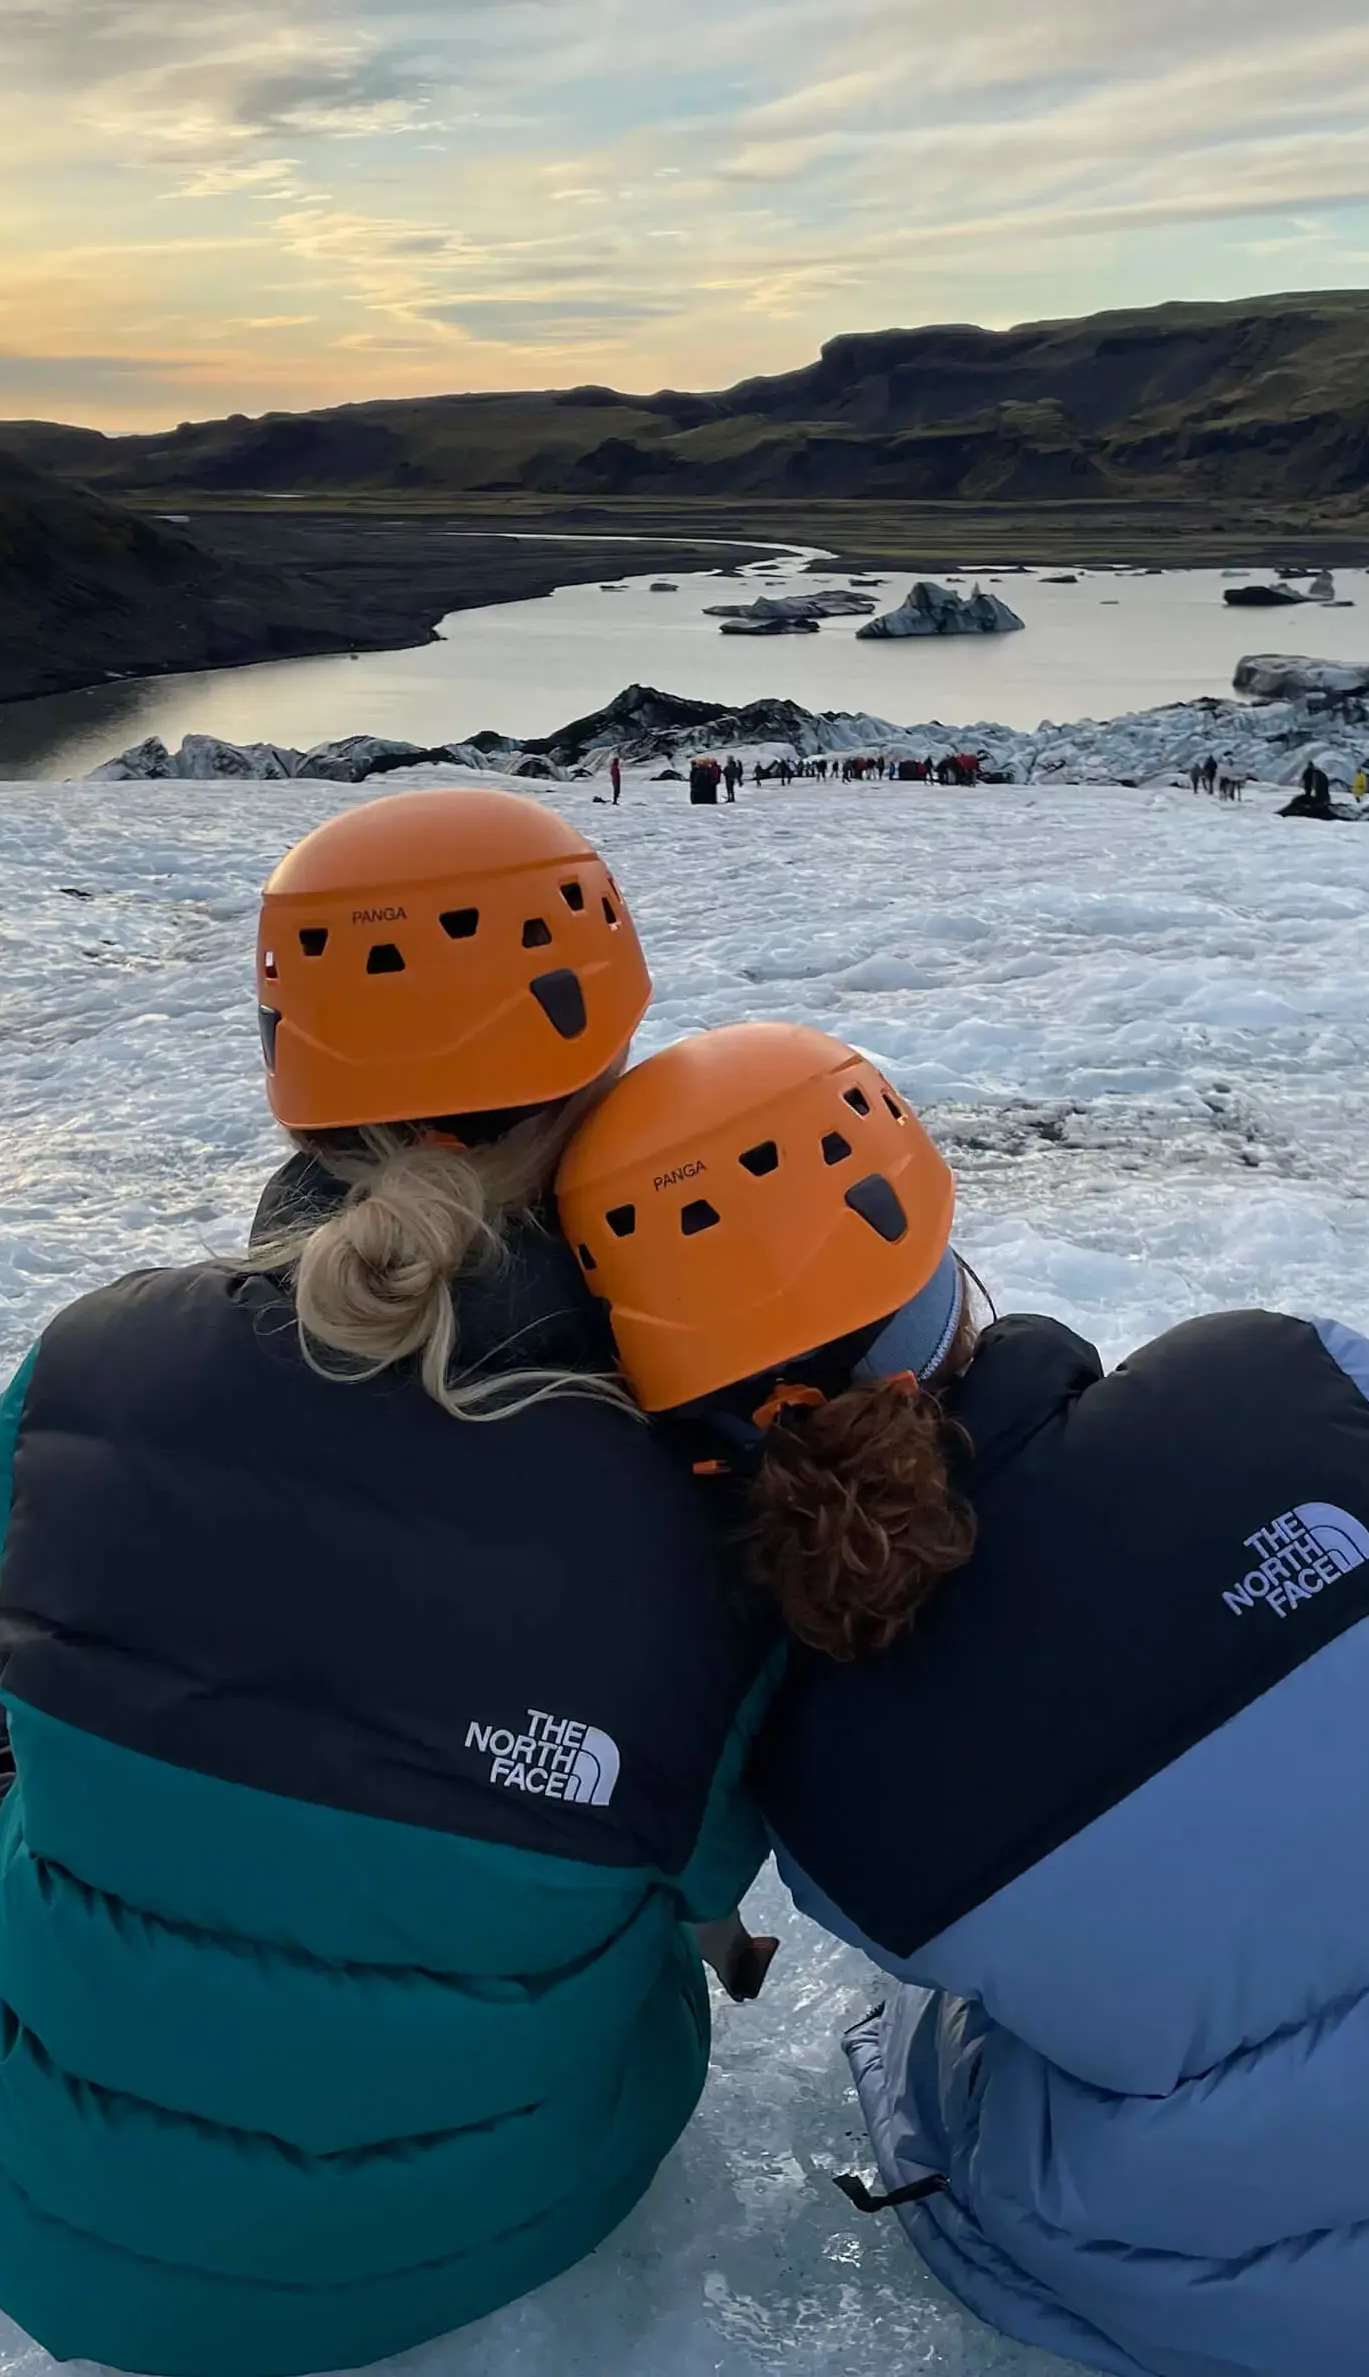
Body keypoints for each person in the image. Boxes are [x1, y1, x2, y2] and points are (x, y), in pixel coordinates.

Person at [0, 794, 775, 2377]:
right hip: (482, 2224)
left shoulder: (87, 1361)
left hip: (39, 2205)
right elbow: (700, 1888)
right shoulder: (692, 1488)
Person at [558, 1018, 1369, 2377]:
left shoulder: (822, 1781)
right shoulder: (1285, 1374)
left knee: (954, 2059)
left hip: (1290, 2306)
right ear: (936, 1254)